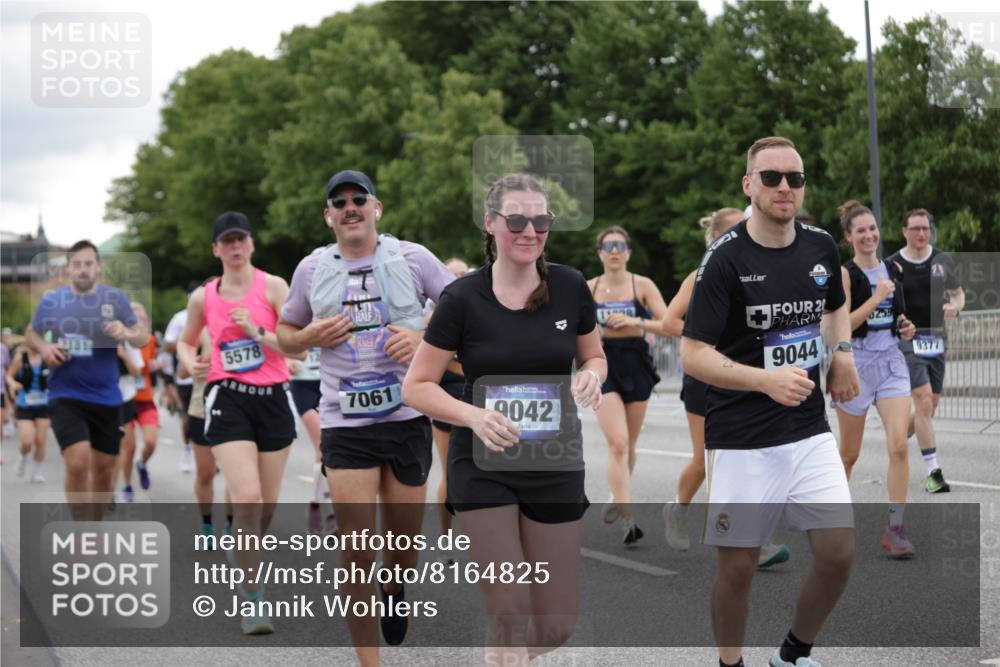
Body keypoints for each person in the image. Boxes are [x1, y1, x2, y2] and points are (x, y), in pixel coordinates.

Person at [403, 173, 606, 665]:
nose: (529, 231)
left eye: (541, 220)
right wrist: (473, 416)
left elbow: (594, 356)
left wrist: (592, 376)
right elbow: (417, 386)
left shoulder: (570, 286)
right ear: (491, 224)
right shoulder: (461, 298)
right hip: (484, 463)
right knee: (509, 609)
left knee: (556, 625)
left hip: (554, 460)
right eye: (516, 220)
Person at [681, 137, 860, 667]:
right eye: (772, 177)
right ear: (748, 185)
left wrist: (842, 353)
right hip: (741, 437)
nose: (785, 187)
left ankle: (793, 653)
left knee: (838, 553)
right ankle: (730, 662)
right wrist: (764, 381)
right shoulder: (724, 258)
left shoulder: (821, 245)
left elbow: (834, 306)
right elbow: (692, 354)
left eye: (794, 178)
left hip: (808, 428)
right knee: (737, 569)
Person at [277, 170, 453, 663]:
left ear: (377, 208)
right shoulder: (312, 269)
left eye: (359, 198)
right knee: (356, 550)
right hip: (344, 423)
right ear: (328, 216)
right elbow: (285, 333)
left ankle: (394, 588)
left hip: (406, 418)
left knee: (402, 546)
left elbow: (464, 310)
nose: (350, 207)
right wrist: (308, 337)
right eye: (340, 202)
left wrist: (423, 337)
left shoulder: (413, 258)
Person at [177, 211, 299, 635]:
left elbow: (298, 347)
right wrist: (191, 362)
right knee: (247, 497)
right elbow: (186, 341)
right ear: (216, 249)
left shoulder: (274, 286)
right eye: (226, 241)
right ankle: (253, 599)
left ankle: (245, 549)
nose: (234, 246)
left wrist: (257, 333)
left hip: (273, 399)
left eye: (240, 239)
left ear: (251, 244)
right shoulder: (203, 297)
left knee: (266, 508)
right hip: (227, 398)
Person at [26, 240, 148, 517]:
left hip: (107, 397)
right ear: (68, 268)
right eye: (77, 264)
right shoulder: (52, 301)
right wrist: (45, 348)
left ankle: (94, 525)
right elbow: (32, 333)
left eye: (88, 264)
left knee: (104, 469)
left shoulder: (115, 299)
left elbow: (141, 337)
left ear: (98, 267)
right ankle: (81, 530)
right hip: (65, 394)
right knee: (77, 461)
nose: (83, 269)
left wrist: (127, 332)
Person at [832, 201, 918, 559]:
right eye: (861, 231)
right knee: (849, 455)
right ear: (849, 237)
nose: (869, 235)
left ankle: (895, 529)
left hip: (891, 363)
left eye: (872, 228)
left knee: (899, 446)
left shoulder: (893, 268)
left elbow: (897, 313)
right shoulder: (845, 274)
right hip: (855, 366)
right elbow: (843, 324)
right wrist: (876, 297)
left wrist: (905, 325)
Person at [587, 226, 668, 545]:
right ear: (600, 253)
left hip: (635, 361)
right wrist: (592, 332)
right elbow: (571, 328)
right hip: (602, 363)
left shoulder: (642, 285)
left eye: (620, 246)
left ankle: (616, 495)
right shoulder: (589, 287)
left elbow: (669, 325)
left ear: (629, 252)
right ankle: (627, 519)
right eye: (608, 246)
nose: (614, 251)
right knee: (618, 443)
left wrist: (636, 321)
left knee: (630, 444)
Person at [887, 209, 964, 493]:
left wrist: (955, 307)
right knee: (922, 400)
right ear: (904, 231)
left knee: (929, 406)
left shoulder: (942, 260)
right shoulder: (893, 264)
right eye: (915, 228)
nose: (921, 233)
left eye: (925, 228)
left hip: (937, 338)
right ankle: (934, 473)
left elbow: (958, 293)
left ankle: (898, 439)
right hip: (907, 338)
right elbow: (885, 304)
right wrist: (899, 322)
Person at [428, 256, 470, 563]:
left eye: (463, 273)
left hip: (483, 394)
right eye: (451, 274)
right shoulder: (434, 318)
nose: (457, 278)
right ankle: (446, 539)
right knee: (452, 473)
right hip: (448, 396)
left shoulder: (480, 310)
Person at [288, 347, 337, 535]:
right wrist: (286, 362)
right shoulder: (293, 322)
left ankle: (315, 503)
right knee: (323, 445)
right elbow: (279, 342)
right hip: (303, 384)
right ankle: (330, 512)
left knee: (331, 448)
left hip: (331, 381)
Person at [120, 303, 160, 496]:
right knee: (129, 447)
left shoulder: (150, 340)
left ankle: (142, 464)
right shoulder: (123, 341)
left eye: (142, 319)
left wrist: (154, 365)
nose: (139, 323)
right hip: (125, 399)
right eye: (135, 319)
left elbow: (153, 362)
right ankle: (127, 485)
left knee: (151, 442)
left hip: (145, 399)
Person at [5, 344, 51, 482]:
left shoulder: (47, 357)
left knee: (40, 441)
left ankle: (37, 472)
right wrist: (13, 384)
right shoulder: (21, 358)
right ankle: (22, 457)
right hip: (25, 404)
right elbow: (8, 376)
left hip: (44, 404)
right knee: (27, 440)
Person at [164, 305, 195, 472]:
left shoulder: (219, 312)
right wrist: (189, 343)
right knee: (188, 416)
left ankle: (214, 454)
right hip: (188, 378)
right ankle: (187, 449)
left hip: (214, 375)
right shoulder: (180, 318)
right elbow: (167, 346)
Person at [116, 340, 144, 502]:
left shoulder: (128, 341)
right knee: (109, 449)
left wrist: (124, 355)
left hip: (125, 397)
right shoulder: (97, 338)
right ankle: (106, 490)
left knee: (129, 446)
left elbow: (137, 373)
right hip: (102, 398)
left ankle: (126, 485)